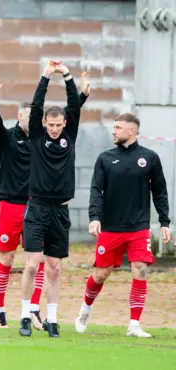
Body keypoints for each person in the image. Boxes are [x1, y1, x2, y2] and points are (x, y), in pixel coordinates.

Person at [0, 73, 91, 329]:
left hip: (40, 205)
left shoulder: (45, 140)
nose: (29, 117)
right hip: (11, 204)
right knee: (8, 259)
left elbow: (68, 117)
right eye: (26, 114)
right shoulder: (8, 138)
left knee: (40, 260)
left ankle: (34, 309)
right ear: (23, 117)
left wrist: (83, 95)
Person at [75, 113, 170, 338]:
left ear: (132, 132)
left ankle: (134, 324)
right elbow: (96, 190)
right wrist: (94, 217)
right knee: (100, 274)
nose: (114, 131)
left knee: (140, 269)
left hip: (138, 227)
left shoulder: (150, 158)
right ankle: (84, 311)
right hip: (110, 227)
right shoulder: (105, 158)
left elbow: (160, 191)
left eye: (118, 127)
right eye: (113, 127)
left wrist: (165, 222)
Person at [19, 60, 81, 338]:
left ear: (65, 124)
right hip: (37, 208)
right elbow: (35, 106)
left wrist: (67, 75)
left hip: (61, 211)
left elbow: (75, 105)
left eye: (59, 124)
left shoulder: (70, 136)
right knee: (32, 265)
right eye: (50, 124)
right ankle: (24, 316)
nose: (55, 128)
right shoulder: (36, 137)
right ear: (43, 123)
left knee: (54, 268)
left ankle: (53, 319)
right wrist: (46, 77)